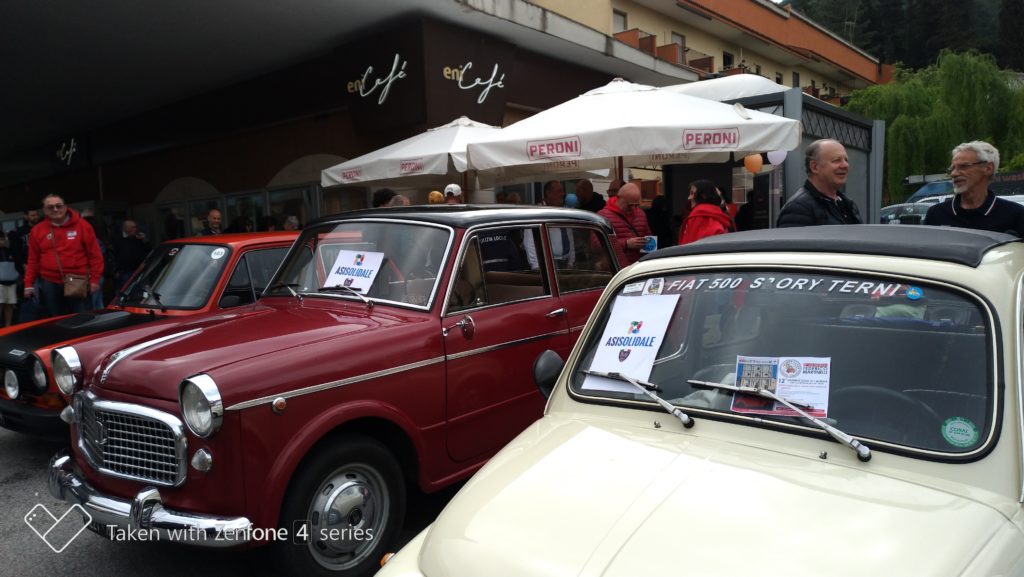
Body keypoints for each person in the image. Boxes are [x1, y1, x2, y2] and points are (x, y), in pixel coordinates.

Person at [24, 194, 104, 317]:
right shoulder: (37, 230)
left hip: (77, 280)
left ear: (65, 207)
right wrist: (29, 284)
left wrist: (95, 280)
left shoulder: (82, 225)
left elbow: (95, 255)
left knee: (82, 318)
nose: (55, 209)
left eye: (59, 206)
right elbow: (33, 260)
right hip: (49, 282)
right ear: (44, 210)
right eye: (50, 207)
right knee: (55, 319)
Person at [924, 141, 1024, 236]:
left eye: (963, 166)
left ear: (988, 169)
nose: (954, 173)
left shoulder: (1015, 215)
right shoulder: (936, 214)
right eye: (952, 168)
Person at [776, 139, 861, 227]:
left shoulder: (848, 204)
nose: (845, 165)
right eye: (836, 160)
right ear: (815, 167)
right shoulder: (798, 209)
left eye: (846, 160)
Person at [598, 182, 652, 265]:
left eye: (636, 205)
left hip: (638, 267)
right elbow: (597, 245)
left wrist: (649, 244)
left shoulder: (641, 214)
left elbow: (649, 238)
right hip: (616, 267)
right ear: (619, 198)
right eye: (630, 205)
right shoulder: (603, 216)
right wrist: (626, 244)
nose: (633, 208)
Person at [679, 180, 733, 245]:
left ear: (704, 195)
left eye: (692, 193)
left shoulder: (699, 217)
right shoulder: (719, 215)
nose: (689, 198)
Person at [110, 219, 150, 292]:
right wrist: (115, 270)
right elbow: (113, 255)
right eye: (132, 227)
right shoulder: (117, 239)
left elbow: (148, 251)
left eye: (135, 227)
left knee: (143, 291)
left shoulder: (138, 237)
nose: (135, 229)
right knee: (126, 291)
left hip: (139, 270)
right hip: (125, 272)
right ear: (125, 228)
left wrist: (145, 240)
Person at [0, 236, 17, 326]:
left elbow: (15, 264)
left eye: (2, 239)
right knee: (1, 304)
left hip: (11, 281)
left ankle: (8, 326)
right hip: (0, 283)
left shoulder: (8, 250)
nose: (2, 241)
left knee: (9, 304)